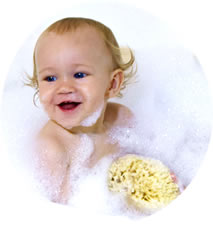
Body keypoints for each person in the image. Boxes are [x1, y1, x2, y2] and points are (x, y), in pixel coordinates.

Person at [25, 17, 136, 204]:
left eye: (79, 75)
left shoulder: (121, 119)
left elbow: (147, 157)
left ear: (112, 83)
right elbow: (53, 211)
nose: (64, 87)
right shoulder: (52, 148)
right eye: (50, 78)